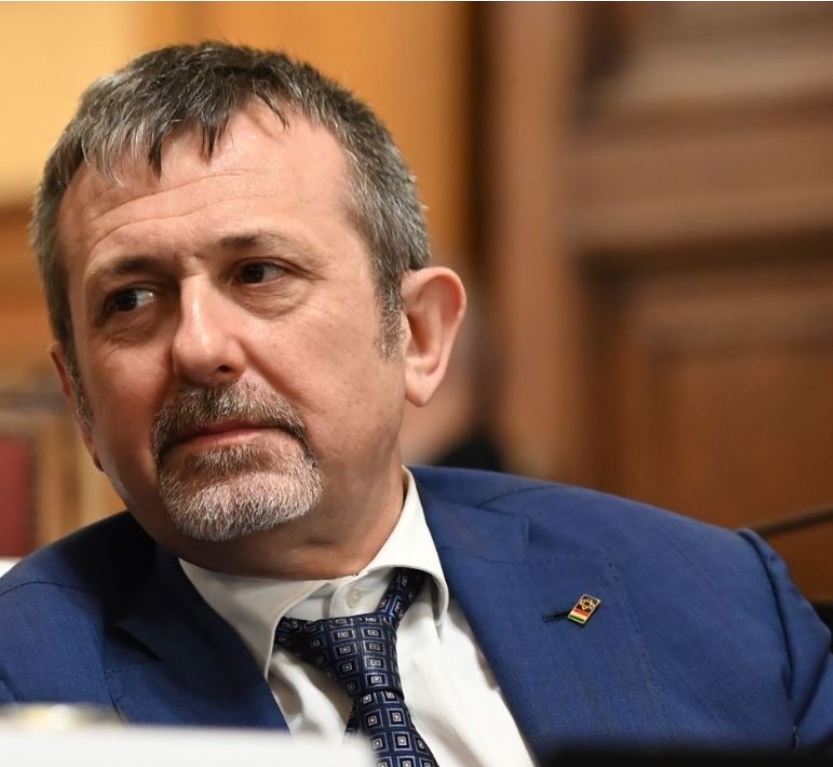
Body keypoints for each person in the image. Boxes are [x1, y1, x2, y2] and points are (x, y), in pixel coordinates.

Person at [0, 41, 830, 765]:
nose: (198, 345)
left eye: (258, 273)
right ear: (79, 399)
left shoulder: (713, 598)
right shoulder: (23, 669)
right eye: (131, 300)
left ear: (421, 336)